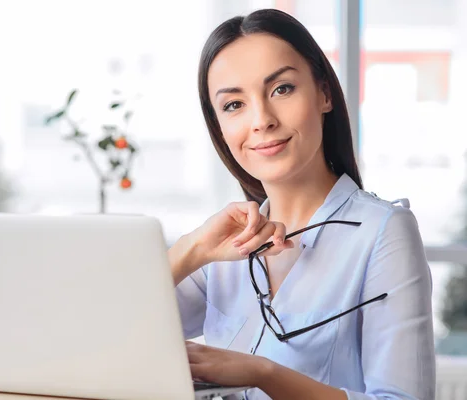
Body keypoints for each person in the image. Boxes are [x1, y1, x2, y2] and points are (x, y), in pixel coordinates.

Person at [168, 8, 435, 400]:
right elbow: (98, 332)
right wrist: (189, 250)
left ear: (324, 93)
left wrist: (263, 373)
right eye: (233, 105)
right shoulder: (222, 245)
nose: (261, 120)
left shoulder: (383, 232)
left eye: (281, 89)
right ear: (219, 127)